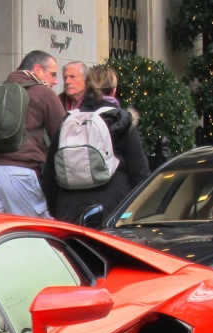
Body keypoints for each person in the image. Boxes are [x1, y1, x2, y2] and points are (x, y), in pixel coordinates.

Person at [45, 63, 150, 225]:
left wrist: (57, 209)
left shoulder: (69, 122)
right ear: (114, 90)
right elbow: (140, 174)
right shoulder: (122, 122)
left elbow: (51, 174)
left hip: (68, 207)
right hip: (113, 207)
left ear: (87, 88)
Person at [0, 50, 66, 218]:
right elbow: (63, 135)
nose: (55, 81)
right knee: (33, 234)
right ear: (38, 70)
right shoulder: (44, 93)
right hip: (19, 172)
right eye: (53, 74)